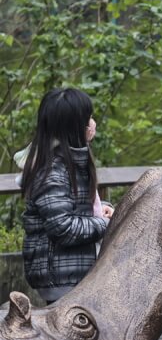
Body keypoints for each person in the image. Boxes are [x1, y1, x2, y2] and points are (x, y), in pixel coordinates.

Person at [21, 88, 112, 305]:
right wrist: (104, 223)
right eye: (88, 118)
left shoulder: (71, 162)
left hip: (74, 273)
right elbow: (63, 227)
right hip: (62, 279)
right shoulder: (52, 172)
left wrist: (101, 209)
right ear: (75, 127)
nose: (93, 123)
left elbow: (74, 208)